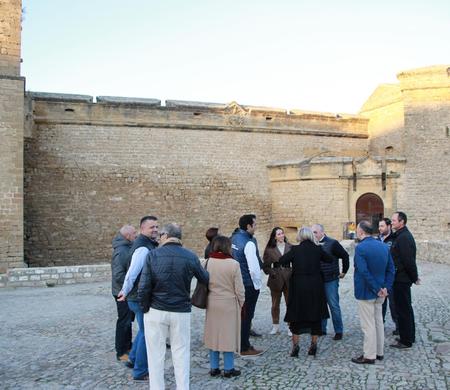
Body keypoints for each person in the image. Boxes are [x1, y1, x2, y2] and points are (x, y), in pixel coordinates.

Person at [138, 223, 209, 390]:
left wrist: (144, 308)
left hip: (156, 310)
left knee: (155, 354)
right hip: (180, 311)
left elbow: (144, 286)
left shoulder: (153, 255)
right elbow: (205, 278)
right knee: (181, 352)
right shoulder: (190, 256)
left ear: (165, 235)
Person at [279, 227, 332, 357]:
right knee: (315, 314)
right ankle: (313, 346)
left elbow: (282, 261)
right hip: (315, 286)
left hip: (299, 286)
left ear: (300, 236)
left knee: (296, 314)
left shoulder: (295, 250)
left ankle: (295, 347)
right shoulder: (317, 249)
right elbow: (329, 259)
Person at [117, 216, 159, 381]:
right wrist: (125, 291)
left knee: (143, 331)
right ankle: (140, 371)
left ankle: (133, 359)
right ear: (142, 229)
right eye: (151, 227)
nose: (155, 229)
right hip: (138, 297)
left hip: (136, 296)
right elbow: (132, 272)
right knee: (146, 333)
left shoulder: (145, 244)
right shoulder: (143, 248)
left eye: (156, 226)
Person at [351, 221, 395, 364]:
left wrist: (378, 288)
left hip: (367, 291)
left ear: (362, 232)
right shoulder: (383, 246)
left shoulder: (361, 248)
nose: (357, 232)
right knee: (378, 322)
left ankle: (370, 355)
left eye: (357, 230)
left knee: (368, 324)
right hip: (381, 291)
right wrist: (385, 288)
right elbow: (391, 270)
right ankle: (379, 352)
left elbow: (363, 271)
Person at [203, 235, 245, 378]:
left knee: (213, 335)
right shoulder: (234, 264)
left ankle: (214, 368)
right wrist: (242, 303)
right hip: (229, 303)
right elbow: (239, 289)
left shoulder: (207, 262)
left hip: (212, 302)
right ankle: (228, 368)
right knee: (228, 336)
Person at [231, 214, 264, 357]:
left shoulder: (233, 238)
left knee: (239, 315)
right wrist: (257, 284)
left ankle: (236, 343)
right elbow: (254, 268)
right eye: (255, 224)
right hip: (248, 285)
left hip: (236, 283)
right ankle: (244, 346)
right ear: (248, 226)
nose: (256, 227)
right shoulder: (249, 243)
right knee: (247, 316)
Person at [312, 224, 349, 340]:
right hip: (317, 280)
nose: (313, 234)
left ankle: (338, 330)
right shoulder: (312, 244)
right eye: (312, 232)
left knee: (333, 305)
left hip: (330, 279)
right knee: (320, 305)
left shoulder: (333, 243)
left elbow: (345, 255)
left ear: (322, 232)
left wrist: (344, 271)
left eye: (315, 232)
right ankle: (322, 329)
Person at [390, 211, 420, 349]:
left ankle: (406, 340)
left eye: (394, 220)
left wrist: (414, 277)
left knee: (403, 309)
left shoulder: (404, 238)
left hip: (402, 279)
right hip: (399, 278)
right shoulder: (400, 236)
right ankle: (407, 335)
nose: (392, 223)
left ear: (402, 222)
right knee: (404, 308)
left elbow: (409, 261)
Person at [111, 224, 137, 362]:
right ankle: (121, 352)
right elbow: (118, 275)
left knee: (128, 321)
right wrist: (128, 287)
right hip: (122, 292)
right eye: (134, 233)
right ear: (127, 236)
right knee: (124, 321)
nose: (136, 235)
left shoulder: (126, 248)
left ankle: (128, 346)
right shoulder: (122, 251)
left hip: (124, 291)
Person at [262, 227, 292, 335]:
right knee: (275, 304)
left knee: (290, 303)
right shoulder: (269, 249)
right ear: (274, 236)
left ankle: (290, 326)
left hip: (289, 278)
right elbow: (265, 266)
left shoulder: (290, 247)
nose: (281, 235)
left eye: (282, 233)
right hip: (276, 279)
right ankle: (275, 325)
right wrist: (272, 273)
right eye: (279, 234)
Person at [377, 218, 399, 334]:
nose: (380, 228)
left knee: (394, 303)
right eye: (379, 226)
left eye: (382, 226)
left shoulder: (395, 239)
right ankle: (380, 324)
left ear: (389, 226)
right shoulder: (377, 240)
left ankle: (398, 326)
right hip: (380, 276)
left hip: (392, 275)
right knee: (381, 302)